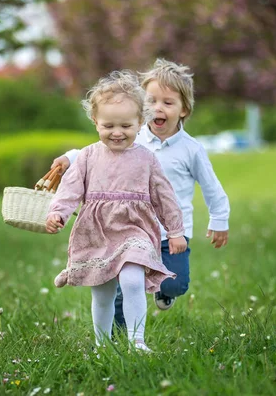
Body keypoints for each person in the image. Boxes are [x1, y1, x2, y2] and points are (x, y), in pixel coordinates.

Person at [52, 58, 230, 327]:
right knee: (125, 283)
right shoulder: (131, 135)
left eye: (168, 103)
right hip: (129, 230)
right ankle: (123, 335)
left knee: (175, 284)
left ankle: (162, 291)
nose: (158, 108)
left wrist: (219, 220)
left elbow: (211, 187)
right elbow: (94, 154)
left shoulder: (191, 150)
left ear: (184, 110)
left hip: (172, 233)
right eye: (151, 101)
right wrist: (69, 158)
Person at [46, 70, 187, 352]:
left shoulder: (146, 159)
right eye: (108, 125)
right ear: (95, 122)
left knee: (133, 280)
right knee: (103, 293)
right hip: (97, 233)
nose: (117, 132)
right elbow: (70, 188)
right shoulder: (87, 156)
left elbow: (164, 197)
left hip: (135, 230)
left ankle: (137, 340)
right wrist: (58, 213)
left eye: (126, 125)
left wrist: (175, 231)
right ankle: (102, 343)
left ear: (140, 123)